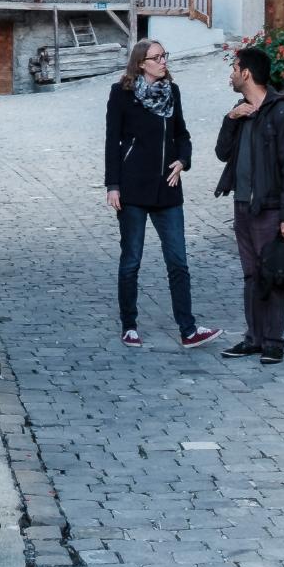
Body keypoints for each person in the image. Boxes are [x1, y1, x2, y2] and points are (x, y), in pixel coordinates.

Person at [105, 40, 223, 350]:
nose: (162, 62)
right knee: (131, 261)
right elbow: (111, 142)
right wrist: (113, 185)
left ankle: (188, 329)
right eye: (156, 58)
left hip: (168, 191)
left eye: (164, 56)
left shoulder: (173, 93)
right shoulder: (122, 94)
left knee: (178, 261)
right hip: (132, 190)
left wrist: (183, 160)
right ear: (141, 63)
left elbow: (182, 134)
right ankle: (129, 325)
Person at [214, 45, 284, 365]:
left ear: (246, 73)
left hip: (269, 209)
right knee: (251, 275)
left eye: (234, 68)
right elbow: (222, 153)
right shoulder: (240, 111)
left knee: (273, 274)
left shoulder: (281, 113)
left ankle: (273, 340)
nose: (231, 74)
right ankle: (253, 338)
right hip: (243, 207)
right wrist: (230, 118)